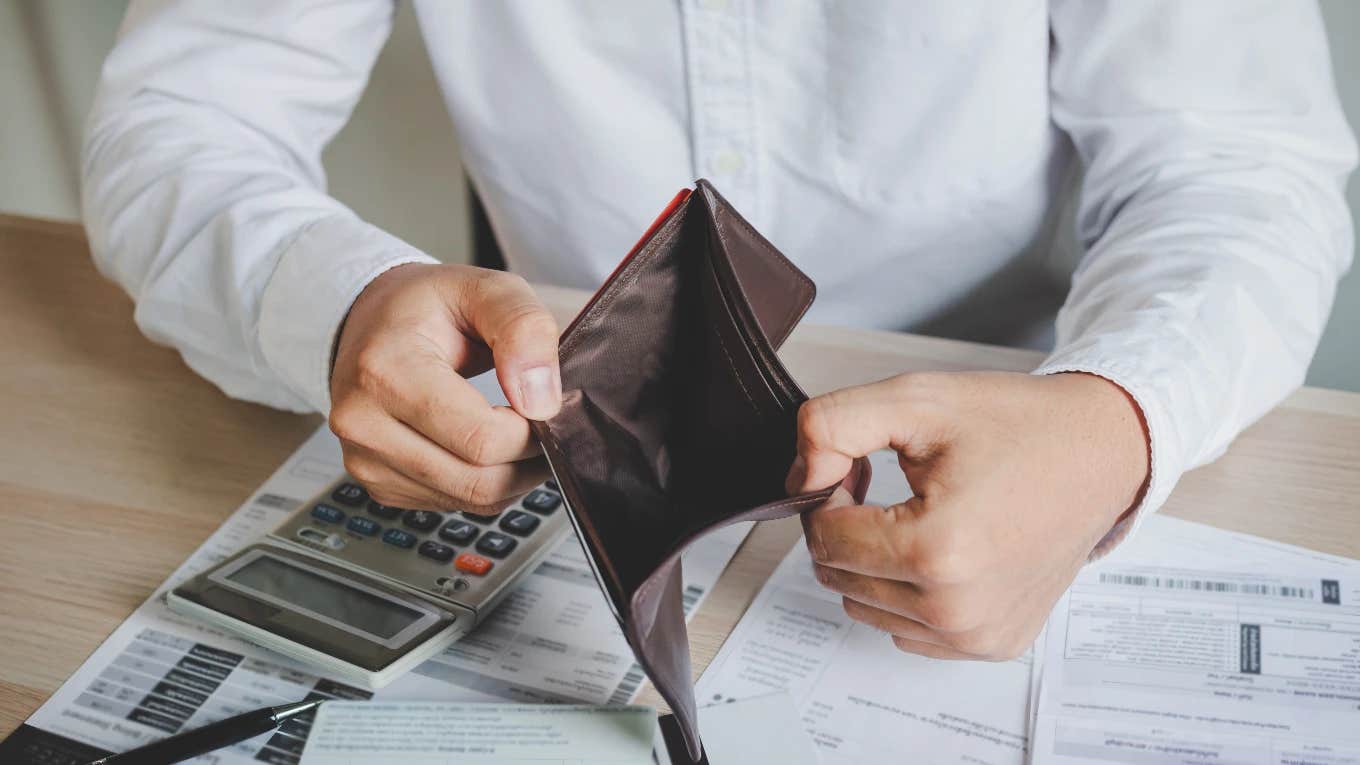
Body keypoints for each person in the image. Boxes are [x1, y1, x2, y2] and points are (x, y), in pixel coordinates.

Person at [84, 1, 1354, 662]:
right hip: (562, 448)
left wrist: (1115, 415)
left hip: (1006, 432)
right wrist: (339, 298)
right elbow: (184, 123)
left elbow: (1239, 160)